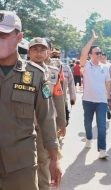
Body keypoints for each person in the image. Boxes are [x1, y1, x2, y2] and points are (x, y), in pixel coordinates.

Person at [0, 10, 61, 190]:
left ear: (19, 37)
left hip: (21, 165)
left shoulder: (36, 74)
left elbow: (47, 118)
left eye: (4, 35)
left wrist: (54, 159)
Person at [28, 37, 66, 190]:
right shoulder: (21, 71)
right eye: (35, 50)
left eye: (42, 49)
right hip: (25, 125)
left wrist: (62, 122)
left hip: (45, 125)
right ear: (29, 52)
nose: (39, 53)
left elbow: (58, 97)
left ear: (48, 52)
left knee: (44, 161)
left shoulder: (54, 72)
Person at [80, 30, 111, 159]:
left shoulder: (105, 67)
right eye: (97, 53)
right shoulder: (86, 65)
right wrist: (92, 39)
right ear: (91, 54)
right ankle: (88, 138)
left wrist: (108, 98)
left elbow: (108, 83)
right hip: (87, 100)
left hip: (101, 101)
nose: (100, 54)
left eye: (100, 52)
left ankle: (102, 150)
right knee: (88, 123)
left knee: (102, 125)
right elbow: (83, 53)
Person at [49, 47, 76, 126]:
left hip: (62, 99)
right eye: (53, 54)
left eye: (57, 54)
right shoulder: (46, 67)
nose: (55, 56)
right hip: (48, 100)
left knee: (63, 122)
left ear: (60, 55)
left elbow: (71, 84)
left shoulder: (66, 68)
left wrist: (73, 97)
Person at [100, 52, 111, 120]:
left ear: (106, 58)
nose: (102, 59)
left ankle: (108, 109)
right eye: (101, 58)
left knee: (109, 99)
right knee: (102, 99)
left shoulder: (110, 65)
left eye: (104, 58)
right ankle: (105, 110)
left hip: (109, 85)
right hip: (101, 85)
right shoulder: (99, 65)